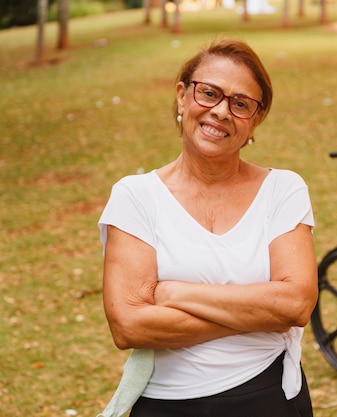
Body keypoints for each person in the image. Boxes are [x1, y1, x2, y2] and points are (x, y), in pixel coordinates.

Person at [97, 38, 318, 417]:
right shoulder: (135, 196)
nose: (220, 111)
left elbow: (295, 304)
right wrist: (257, 316)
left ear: (255, 120)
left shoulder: (283, 189)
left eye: (240, 103)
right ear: (182, 97)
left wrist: (173, 293)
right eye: (209, 93)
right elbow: (130, 326)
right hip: (166, 404)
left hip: (268, 394)